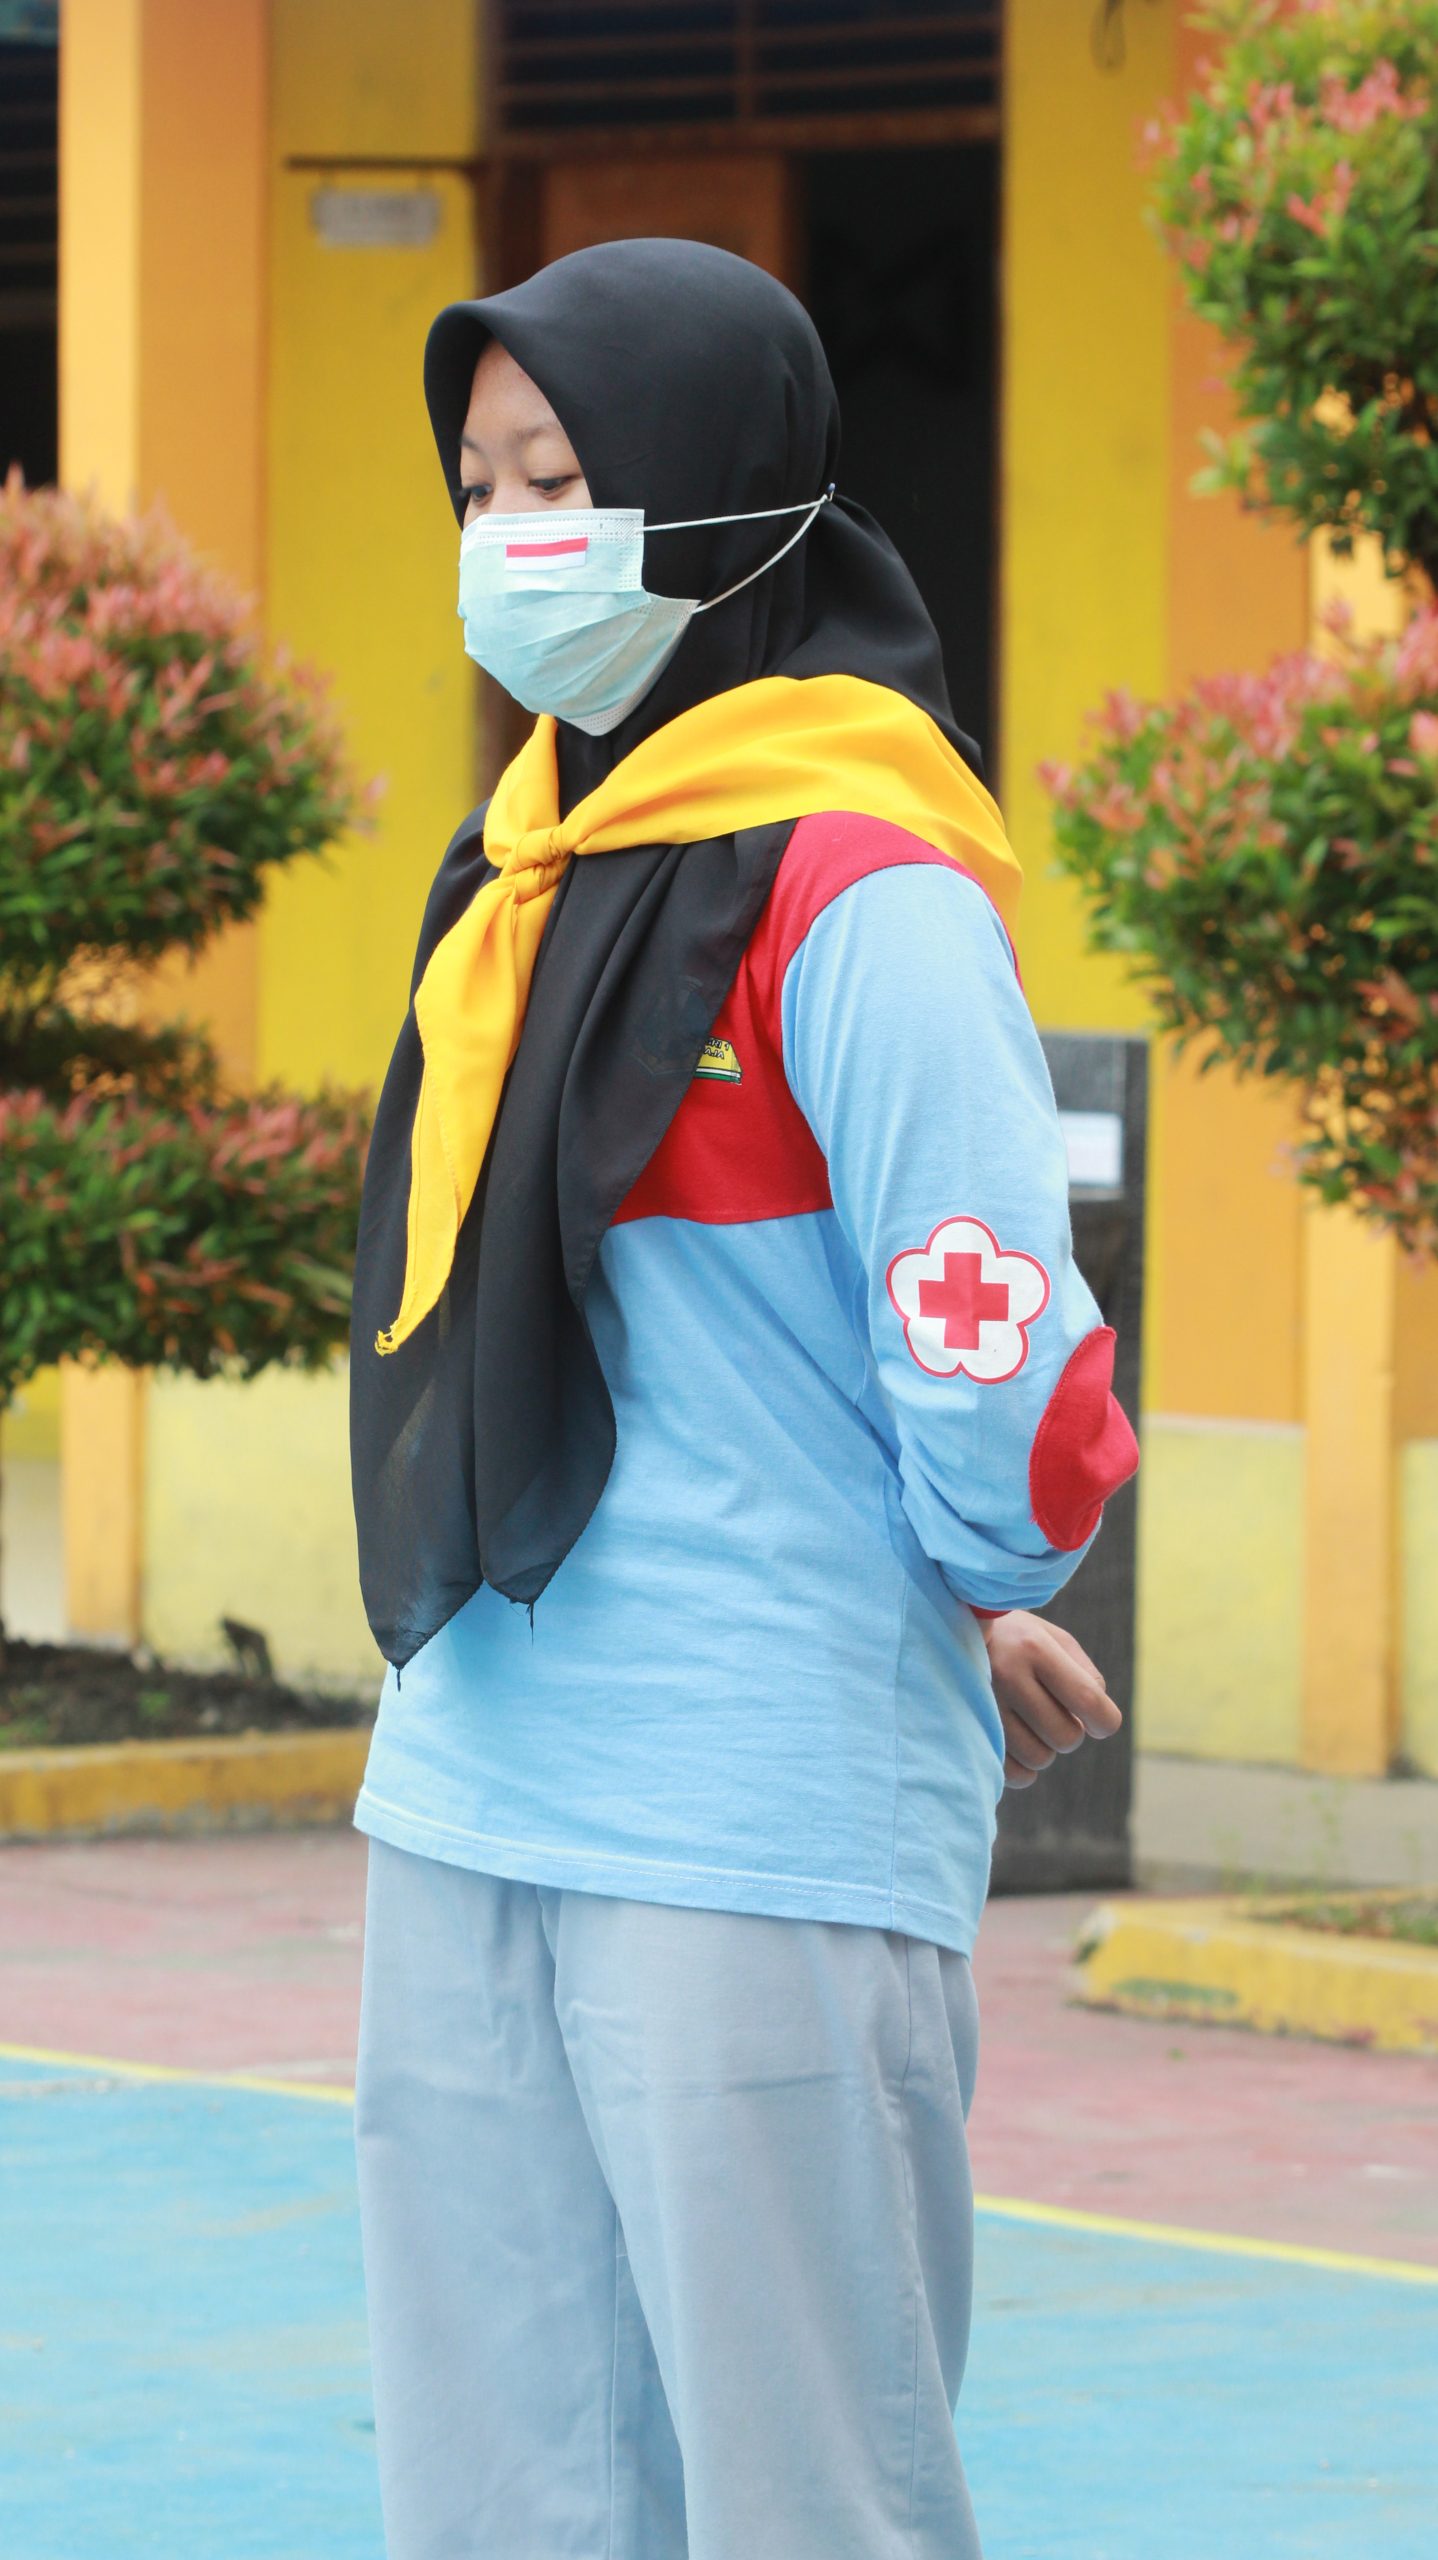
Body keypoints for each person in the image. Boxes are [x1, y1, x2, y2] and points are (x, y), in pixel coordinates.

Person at [347, 238, 1138, 2560]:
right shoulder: (521, 872)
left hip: (749, 1803)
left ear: (719, 492)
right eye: (478, 487)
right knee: (498, 2487)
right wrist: (957, 1591)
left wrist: (967, 1579)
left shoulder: (860, 890)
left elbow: (987, 1338)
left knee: (807, 2494)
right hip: (469, 1770)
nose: (509, 538)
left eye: (560, 477)